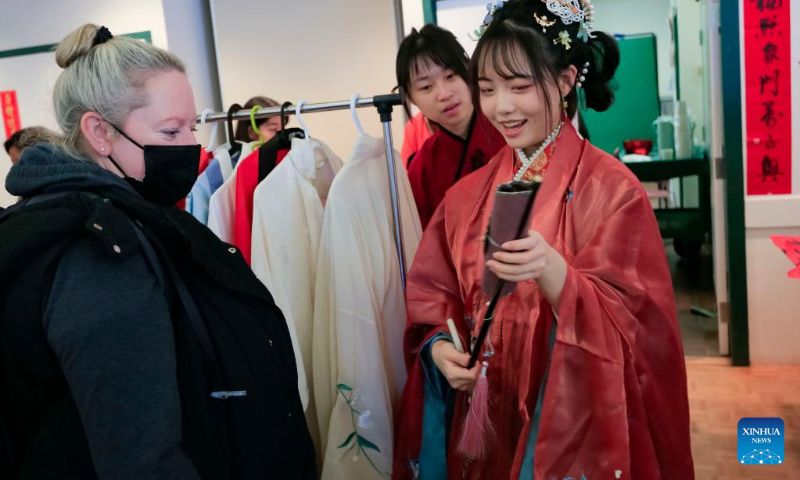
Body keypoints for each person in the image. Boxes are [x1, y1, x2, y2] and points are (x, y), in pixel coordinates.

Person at [393, 1, 694, 479]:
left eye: (519, 86)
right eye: (488, 89)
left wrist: (556, 274)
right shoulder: (465, 196)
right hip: (488, 407)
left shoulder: (612, 189)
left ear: (566, 79)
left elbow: (645, 333)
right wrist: (438, 349)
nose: (501, 107)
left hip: (570, 414)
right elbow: (435, 294)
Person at [0, 24, 315, 479]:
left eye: (192, 127)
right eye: (171, 132)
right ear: (99, 132)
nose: (191, 146)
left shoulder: (129, 218)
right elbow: (141, 457)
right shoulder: (98, 253)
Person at [396, 25, 505, 229]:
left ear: (468, 68)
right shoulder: (421, 170)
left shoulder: (509, 127)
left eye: (450, 76)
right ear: (411, 98)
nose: (444, 94)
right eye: (426, 87)